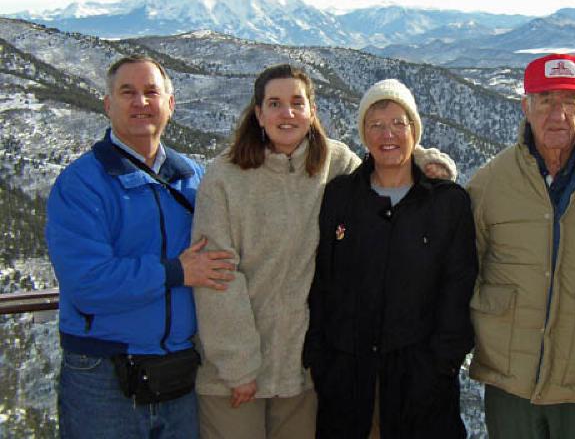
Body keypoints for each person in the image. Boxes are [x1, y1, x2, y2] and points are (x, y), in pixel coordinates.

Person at [46, 55, 235, 439]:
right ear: (107, 104)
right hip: (103, 375)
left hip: (180, 370)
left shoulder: (194, 180)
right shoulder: (82, 185)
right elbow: (88, 284)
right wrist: (176, 271)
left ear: (171, 103)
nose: (141, 102)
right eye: (127, 92)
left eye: (151, 92)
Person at [467, 53, 575, 439]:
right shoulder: (491, 181)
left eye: (569, 101)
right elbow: (462, 265)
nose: (557, 114)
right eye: (545, 100)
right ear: (525, 107)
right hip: (511, 380)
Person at [191, 64, 361, 439]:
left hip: (299, 371)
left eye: (297, 103)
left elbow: (387, 168)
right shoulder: (224, 177)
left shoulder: (334, 163)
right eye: (275, 103)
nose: (287, 113)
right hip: (233, 377)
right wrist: (239, 369)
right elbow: (216, 274)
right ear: (258, 114)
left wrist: (423, 160)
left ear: (311, 111)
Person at [303, 79, 478, 438]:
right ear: (363, 135)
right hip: (348, 382)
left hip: (421, 385)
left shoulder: (446, 202)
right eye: (376, 124)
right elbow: (323, 284)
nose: (388, 134)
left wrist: (440, 365)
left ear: (415, 130)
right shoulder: (341, 196)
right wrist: (322, 360)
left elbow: (458, 290)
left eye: (399, 123)